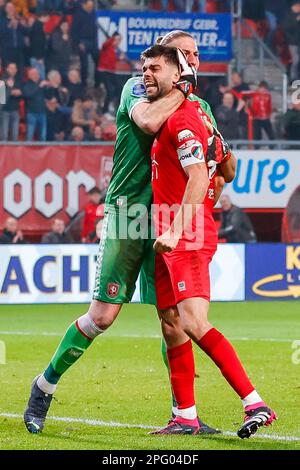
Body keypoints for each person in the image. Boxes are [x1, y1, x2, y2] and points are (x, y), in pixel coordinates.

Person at [23, 30, 225, 436]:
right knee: (103, 316)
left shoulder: (200, 106)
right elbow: (149, 121)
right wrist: (184, 93)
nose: (194, 60)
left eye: (197, 54)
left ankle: (184, 414)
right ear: (168, 60)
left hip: (167, 220)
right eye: (185, 54)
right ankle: (43, 387)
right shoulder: (138, 88)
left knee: (173, 319)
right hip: (127, 213)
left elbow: (214, 165)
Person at [141, 45, 275, 438]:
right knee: (171, 323)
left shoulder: (182, 120)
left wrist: (174, 230)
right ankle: (185, 415)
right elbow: (229, 168)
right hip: (171, 232)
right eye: (143, 68)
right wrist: (217, 146)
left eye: (155, 69)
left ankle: (256, 403)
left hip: (185, 233)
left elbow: (201, 177)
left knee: (195, 323)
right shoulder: (195, 113)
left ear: (177, 76)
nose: (146, 74)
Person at [71, 0, 98, 87]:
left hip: (92, 41)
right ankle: (84, 84)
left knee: (98, 61)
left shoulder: (92, 13)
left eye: (92, 6)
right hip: (83, 41)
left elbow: (94, 27)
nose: (91, 8)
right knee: (84, 64)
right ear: (84, 5)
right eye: (89, 6)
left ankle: (97, 83)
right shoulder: (78, 14)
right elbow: (74, 31)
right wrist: (79, 42)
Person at [96, 32, 123, 115]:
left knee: (120, 89)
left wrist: (119, 58)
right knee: (110, 89)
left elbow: (112, 59)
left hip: (111, 72)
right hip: (103, 71)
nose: (118, 42)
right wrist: (112, 39)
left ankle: (115, 106)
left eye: (119, 40)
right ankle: (105, 110)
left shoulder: (116, 50)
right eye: (116, 39)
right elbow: (105, 45)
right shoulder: (107, 46)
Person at [23, 67, 47, 141]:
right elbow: (28, 95)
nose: (36, 75)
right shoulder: (27, 84)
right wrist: (39, 87)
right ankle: (26, 150)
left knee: (43, 135)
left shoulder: (42, 83)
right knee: (30, 135)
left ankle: (43, 152)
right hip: (31, 112)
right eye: (34, 73)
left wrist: (50, 87)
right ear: (29, 75)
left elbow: (48, 96)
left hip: (42, 112)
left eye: (37, 73)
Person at [1, 62, 22, 141]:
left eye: (14, 68)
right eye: (11, 68)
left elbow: (22, 92)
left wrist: (18, 92)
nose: (13, 70)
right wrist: (11, 91)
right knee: (4, 135)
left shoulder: (18, 80)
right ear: (7, 69)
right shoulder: (2, 80)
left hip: (15, 110)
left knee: (15, 135)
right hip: (5, 110)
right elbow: (1, 97)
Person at [282, 1, 300, 82]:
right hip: (292, 42)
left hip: (298, 41)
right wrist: (296, 21)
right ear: (294, 6)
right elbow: (287, 28)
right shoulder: (288, 15)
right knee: (295, 60)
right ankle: (293, 77)